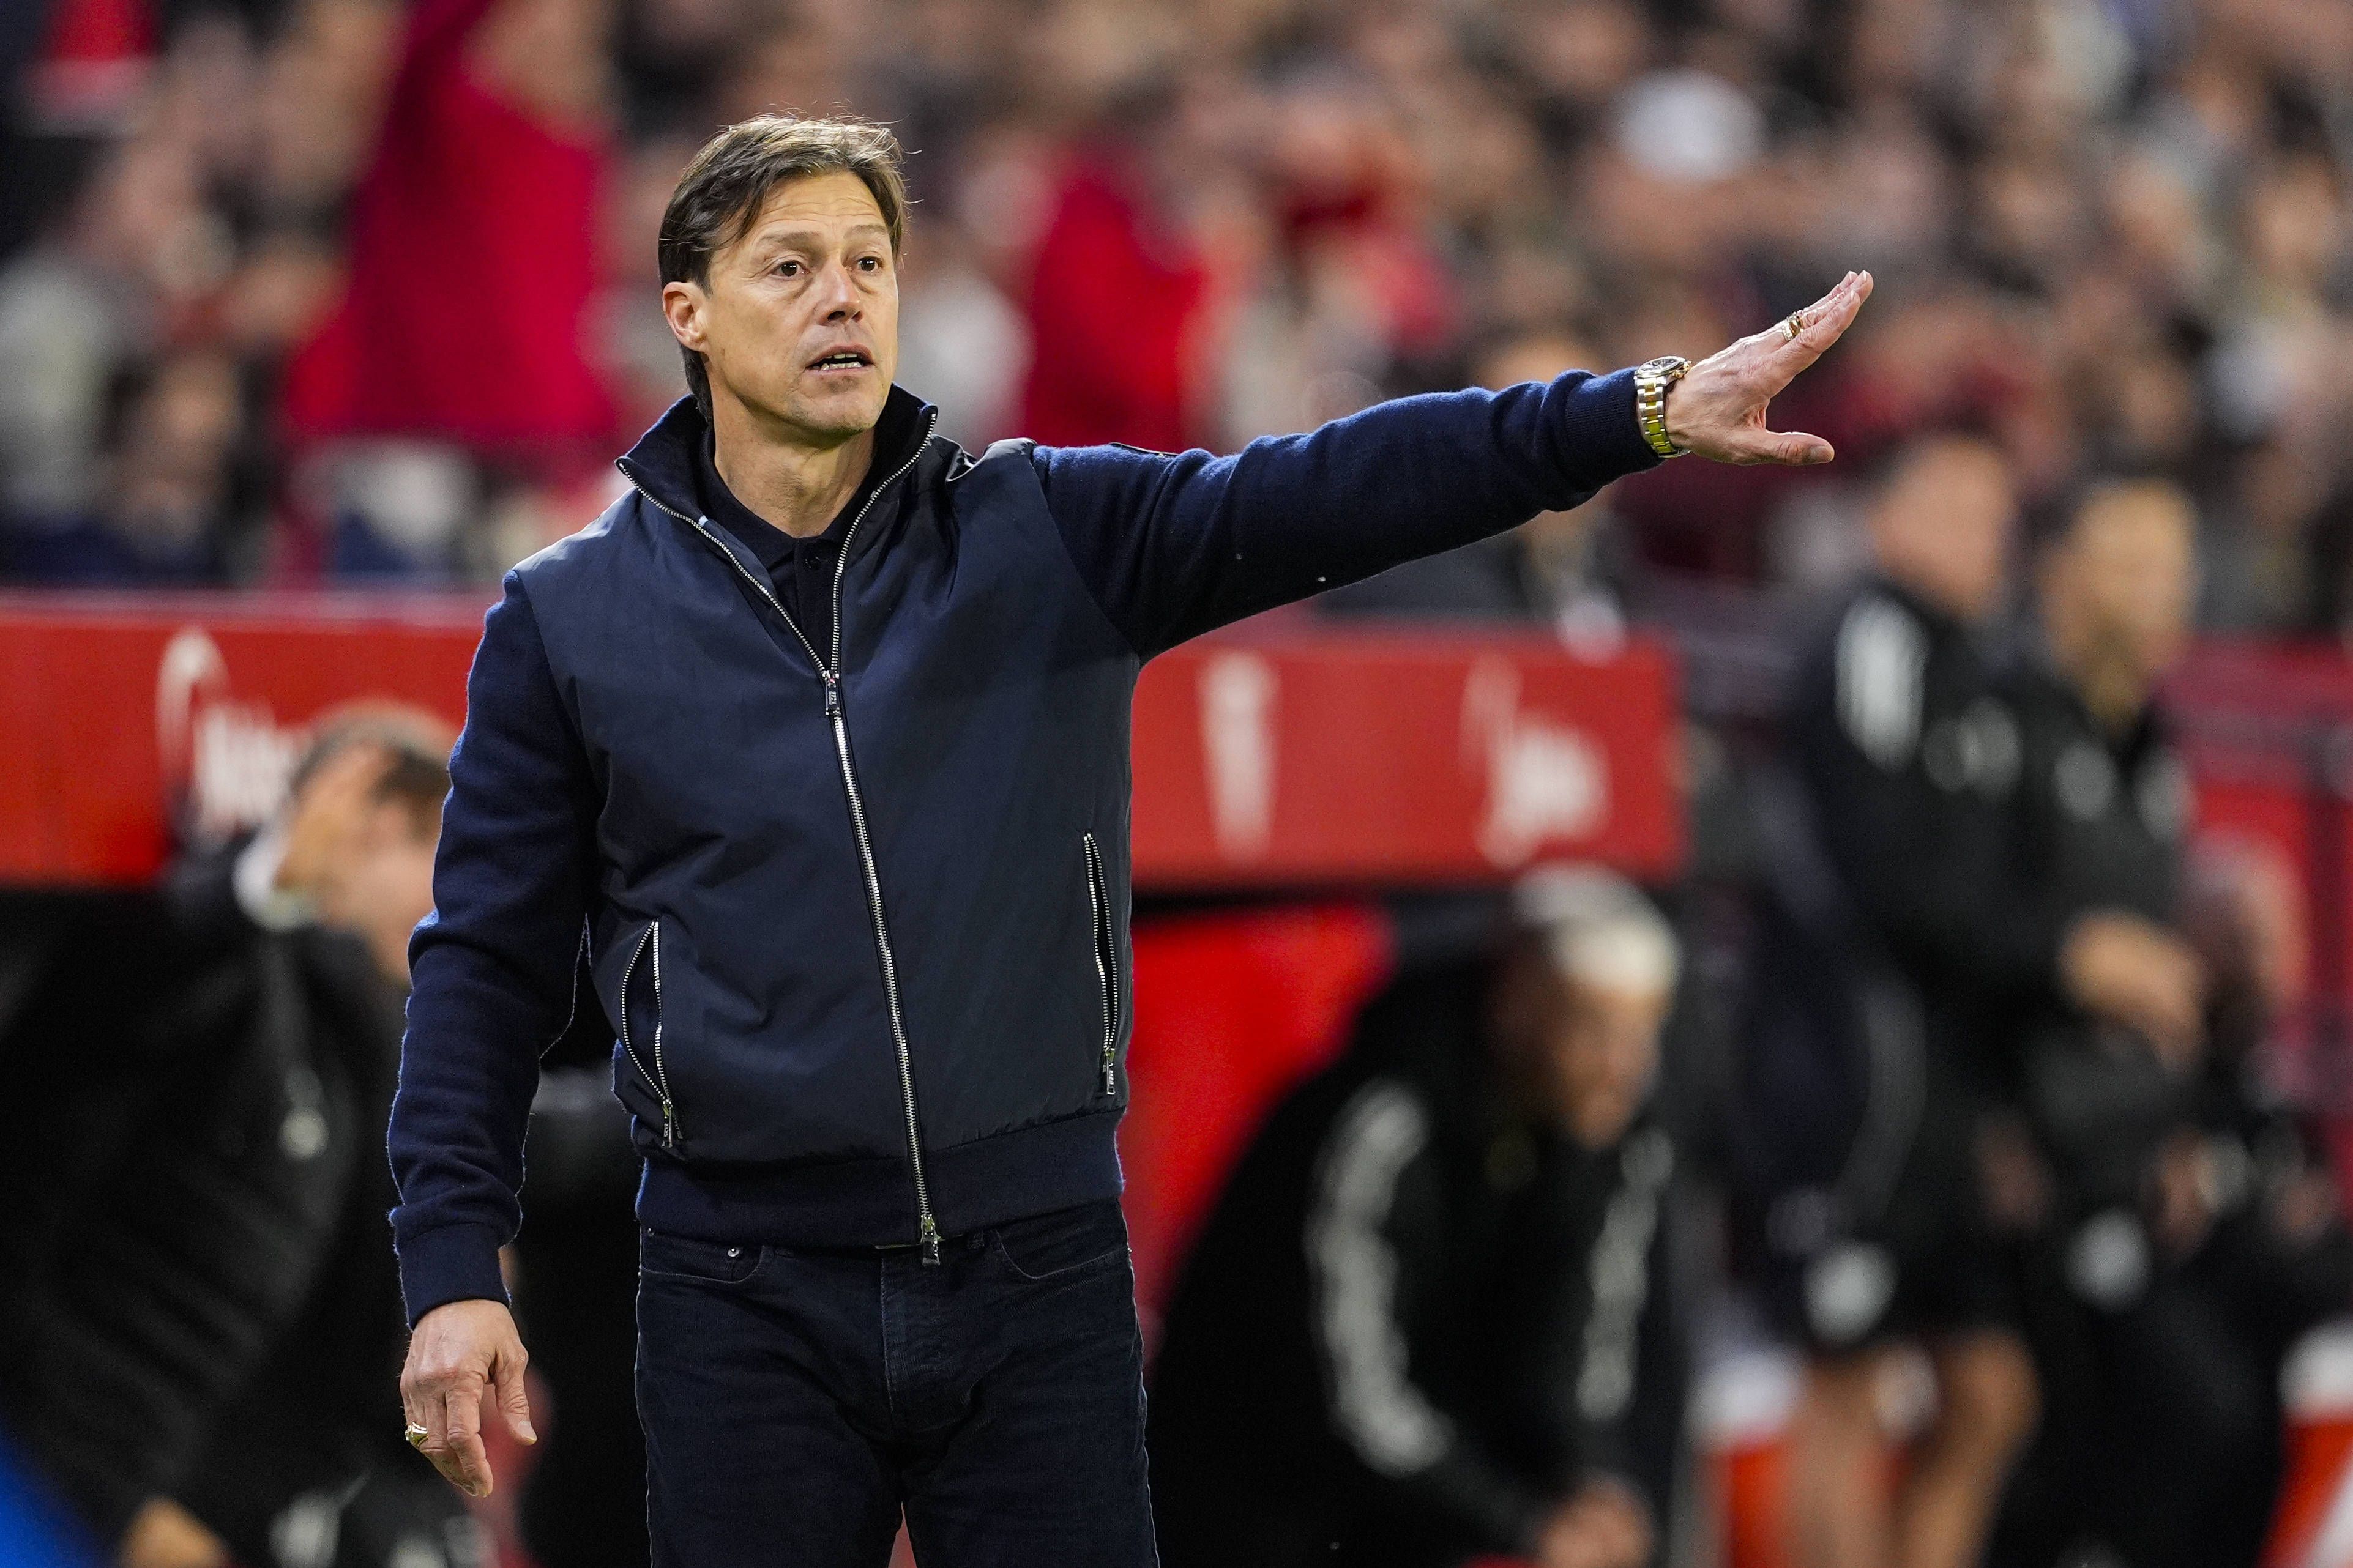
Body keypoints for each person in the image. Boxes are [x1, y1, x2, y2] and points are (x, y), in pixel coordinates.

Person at [386, 111, 1874, 1559]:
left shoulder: (1040, 533)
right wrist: (452, 1265)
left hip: (1037, 1269)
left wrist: (1633, 414)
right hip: (739, 1281)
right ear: (688, 315)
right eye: (790, 266)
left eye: (869, 262)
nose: (841, 294)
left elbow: (1337, 486)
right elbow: (482, 973)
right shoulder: (567, 622)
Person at [1742, 436, 2203, 1568]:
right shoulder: (1875, 638)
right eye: (1949, 503)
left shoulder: (1974, 669)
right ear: (1882, 517)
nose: (1978, 532)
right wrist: (2064, 954)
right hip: (1856, 1075)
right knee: (1845, 1390)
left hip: (1945, 1084)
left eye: (1995, 511)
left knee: (1989, 1388)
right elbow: (1897, 878)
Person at [0, 711, 475, 1568]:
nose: (459, 909)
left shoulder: (371, 1037)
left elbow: (338, 1360)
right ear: (368, 820)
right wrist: (125, 1505)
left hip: (206, 1501)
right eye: (448, 862)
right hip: (50, 1481)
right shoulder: (225, 976)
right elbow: (94, 1010)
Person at [1147, 868, 1683, 1568]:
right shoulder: (1376, 1118)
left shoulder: (1607, 1138)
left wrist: (1586, 1486)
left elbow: (1574, 1354)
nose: (1622, 1068)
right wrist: (1518, 1518)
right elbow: (1343, 1393)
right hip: (1253, 1505)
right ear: (1516, 1000)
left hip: (1404, 1516)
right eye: (1593, 1029)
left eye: (1641, 1035)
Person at [1985, 478, 2321, 1568]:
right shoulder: (2006, 728)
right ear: (2059, 574)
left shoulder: (2145, 741)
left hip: (2146, 1146)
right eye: (2136, 560)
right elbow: (1948, 929)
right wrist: (2003, 1110)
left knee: (2287, 1318)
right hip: (2045, 1165)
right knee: (2184, 1412)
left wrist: (2191, 1126)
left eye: (2177, 562)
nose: (2168, 588)